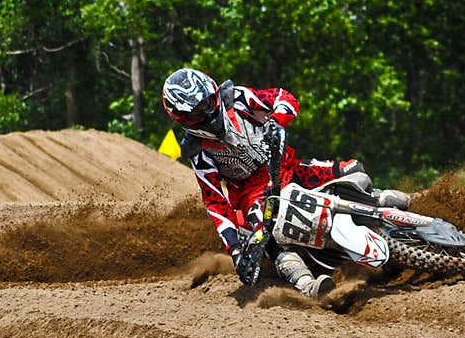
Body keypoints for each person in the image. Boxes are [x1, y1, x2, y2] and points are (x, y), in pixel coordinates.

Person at [161, 67, 409, 299]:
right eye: (196, 112)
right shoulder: (198, 151)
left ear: (214, 92)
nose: (207, 113)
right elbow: (215, 202)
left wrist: (276, 120)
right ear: (182, 118)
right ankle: (307, 284)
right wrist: (235, 250)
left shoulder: (238, 98)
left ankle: (379, 201)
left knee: (353, 170)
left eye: (207, 103)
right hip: (254, 197)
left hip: (288, 168)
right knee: (267, 241)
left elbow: (283, 97)